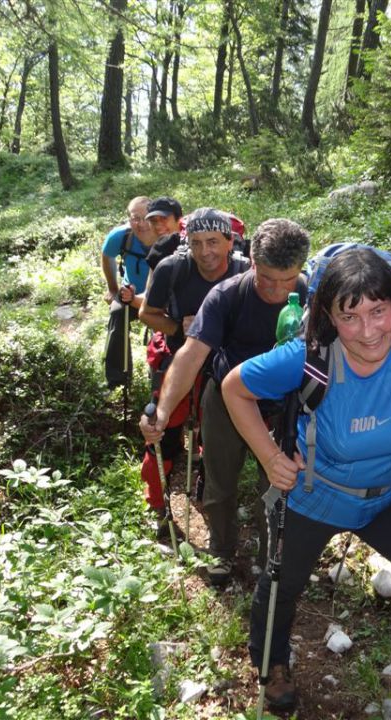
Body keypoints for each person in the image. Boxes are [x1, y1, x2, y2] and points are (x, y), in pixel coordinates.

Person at [220, 247, 391, 712]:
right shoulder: (308, 357)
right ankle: (272, 663)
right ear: (328, 317)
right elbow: (234, 387)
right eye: (350, 317)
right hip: (314, 495)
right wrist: (268, 456)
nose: (368, 332)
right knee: (282, 581)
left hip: (388, 496)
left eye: (378, 311)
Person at [139, 218, 310, 587]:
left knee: (279, 479)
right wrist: (165, 411)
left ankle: (271, 555)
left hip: (285, 400)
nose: (279, 291)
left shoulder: (312, 297)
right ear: (251, 261)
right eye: (267, 278)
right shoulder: (227, 296)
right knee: (219, 477)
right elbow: (191, 354)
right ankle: (221, 549)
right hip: (226, 396)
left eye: (288, 280)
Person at [137, 208, 250, 541]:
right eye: (197, 243)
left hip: (222, 364)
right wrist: (177, 327)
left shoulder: (244, 272)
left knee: (212, 434)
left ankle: (205, 487)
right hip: (176, 357)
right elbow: (147, 313)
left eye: (214, 242)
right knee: (165, 432)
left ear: (230, 242)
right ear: (187, 243)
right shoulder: (173, 269)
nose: (206, 252)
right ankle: (158, 506)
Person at [100, 196, 155, 388]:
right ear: (129, 219)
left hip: (157, 297)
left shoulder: (165, 235)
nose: (141, 224)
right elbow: (106, 257)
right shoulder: (121, 236)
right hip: (128, 294)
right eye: (135, 218)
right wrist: (113, 289)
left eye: (147, 217)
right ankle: (117, 379)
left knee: (163, 325)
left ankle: (158, 374)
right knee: (117, 314)